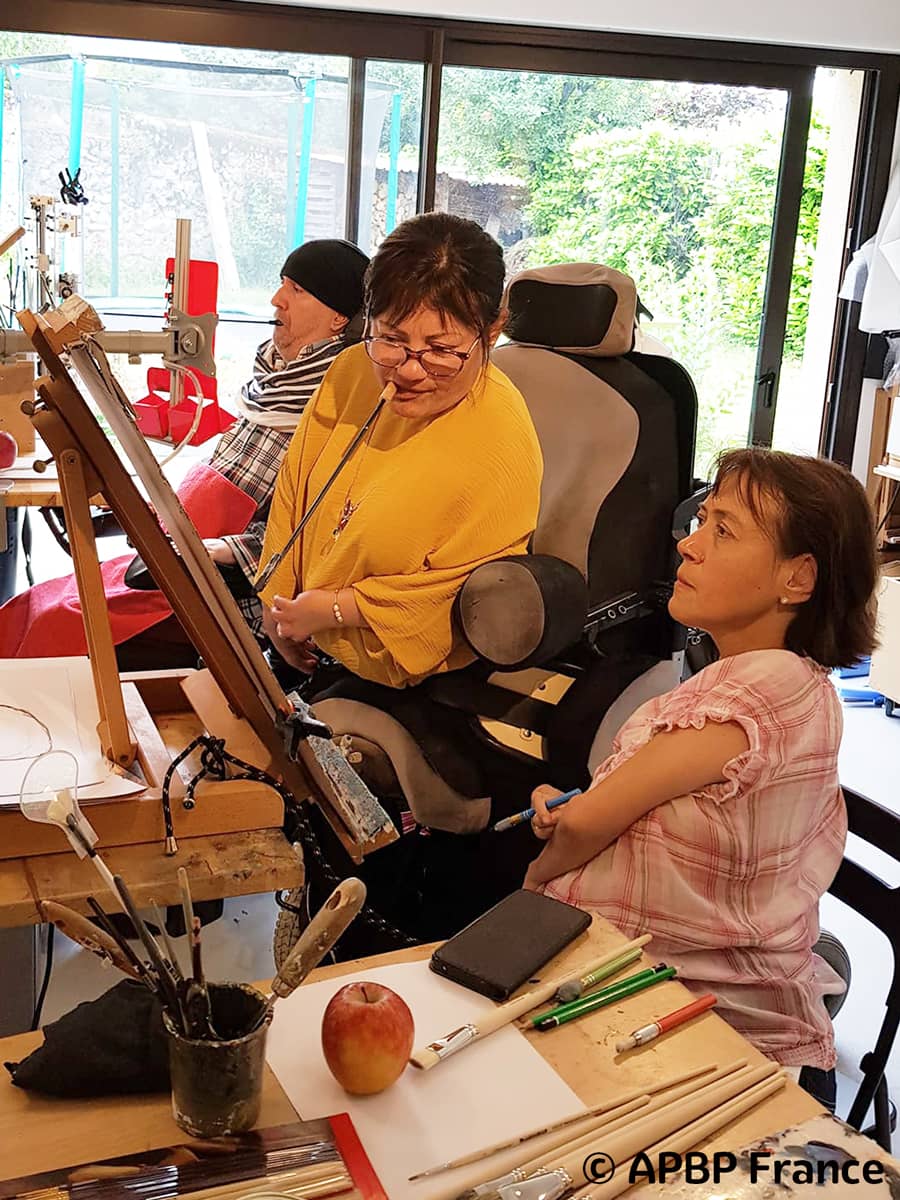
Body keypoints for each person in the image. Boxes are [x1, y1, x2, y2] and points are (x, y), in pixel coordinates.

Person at [525, 448, 878, 1112]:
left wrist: (535, 884)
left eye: (724, 531)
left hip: (701, 1034)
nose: (689, 546)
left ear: (797, 579)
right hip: (665, 991)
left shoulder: (761, 687)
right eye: (703, 520)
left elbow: (586, 824)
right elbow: (609, 805)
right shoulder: (790, 681)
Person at [0, 239, 369, 666]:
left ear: (339, 316)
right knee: (31, 606)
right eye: (281, 283)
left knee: (53, 628)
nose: (276, 299)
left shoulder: (337, 406)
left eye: (298, 291)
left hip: (213, 596)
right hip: (174, 561)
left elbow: (324, 530)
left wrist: (229, 550)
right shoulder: (273, 388)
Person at [257, 212, 543, 689]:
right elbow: (295, 487)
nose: (408, 371)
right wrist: (277, 600)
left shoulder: (501, 437)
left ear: (491, 333)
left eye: (440, 349)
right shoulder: (352, 370)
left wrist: (332, 610)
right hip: (303, 639)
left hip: (402, 681)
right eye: (390, 339)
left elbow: (456, 588)